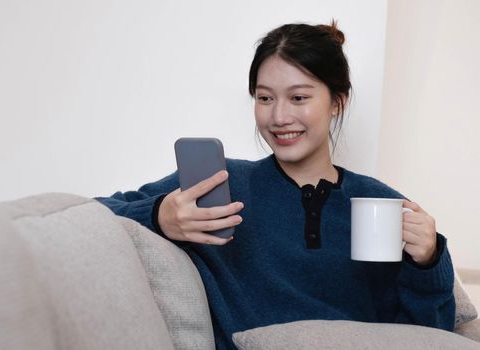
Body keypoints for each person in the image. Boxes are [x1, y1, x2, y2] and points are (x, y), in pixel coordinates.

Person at [95, 21, 455, 349]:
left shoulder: (383, 204)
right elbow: (96, 210)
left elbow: (427, 336)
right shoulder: (219, 184)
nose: (280, 117)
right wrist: (159, 216)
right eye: (265, 98)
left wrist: (429, 262)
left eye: (299, 98)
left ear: (337, 103)